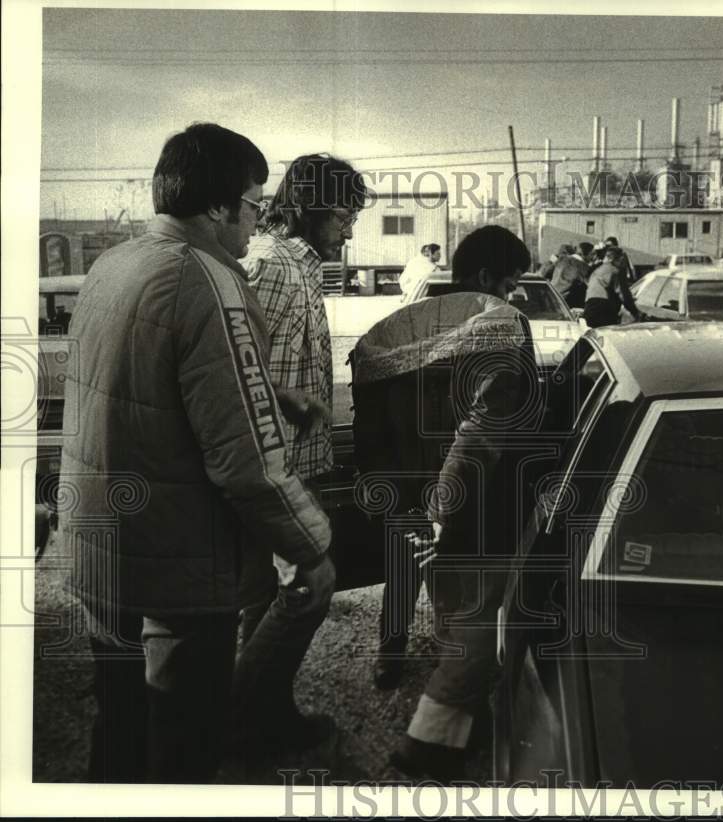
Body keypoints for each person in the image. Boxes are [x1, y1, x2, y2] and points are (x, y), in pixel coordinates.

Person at [60, 123, 334, 783]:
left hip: (101, 543)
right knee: (183, 746)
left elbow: (152, 381)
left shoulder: (115, 264)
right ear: (218, 207)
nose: (256, 222)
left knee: (121, 725)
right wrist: (311, 542)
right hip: (178, 563)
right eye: (253, 205)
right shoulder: (211, 279)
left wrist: (269, 389)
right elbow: (248, 462)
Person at [351, 225, 542, 779]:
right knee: (479, 617)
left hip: (411, 495)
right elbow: (484, 432)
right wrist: (445, 507)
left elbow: (371, 429)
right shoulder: (502, 327)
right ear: (485, 278)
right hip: (475, 502)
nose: (514, 295)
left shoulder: (392, 330)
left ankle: (463, 722)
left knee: (449, 606)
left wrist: (395, 501)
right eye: (509, 282)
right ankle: (428, 743)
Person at [233, 153, 368, 750]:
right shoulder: (271, 264)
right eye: (342, 214)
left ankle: (261, 714)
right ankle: (241, 712)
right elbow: (230, 363)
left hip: (290, 462)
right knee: (311, 586)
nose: (349, 228)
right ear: (310, 207)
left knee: (262, 596)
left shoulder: (304, 265)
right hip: (269, 467)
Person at [584, 245, 645, 328]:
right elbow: (624, 295)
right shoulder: (615, 271)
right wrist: (636, 313)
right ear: (617, 259)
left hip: (589, 308)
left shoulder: (597, 270)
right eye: (622, 260)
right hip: (604, 309)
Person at [550, 243, 589, 308]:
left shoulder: (560, 261)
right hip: (565, 301)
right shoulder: (583, 266)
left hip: (552, 296)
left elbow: (542, 274)